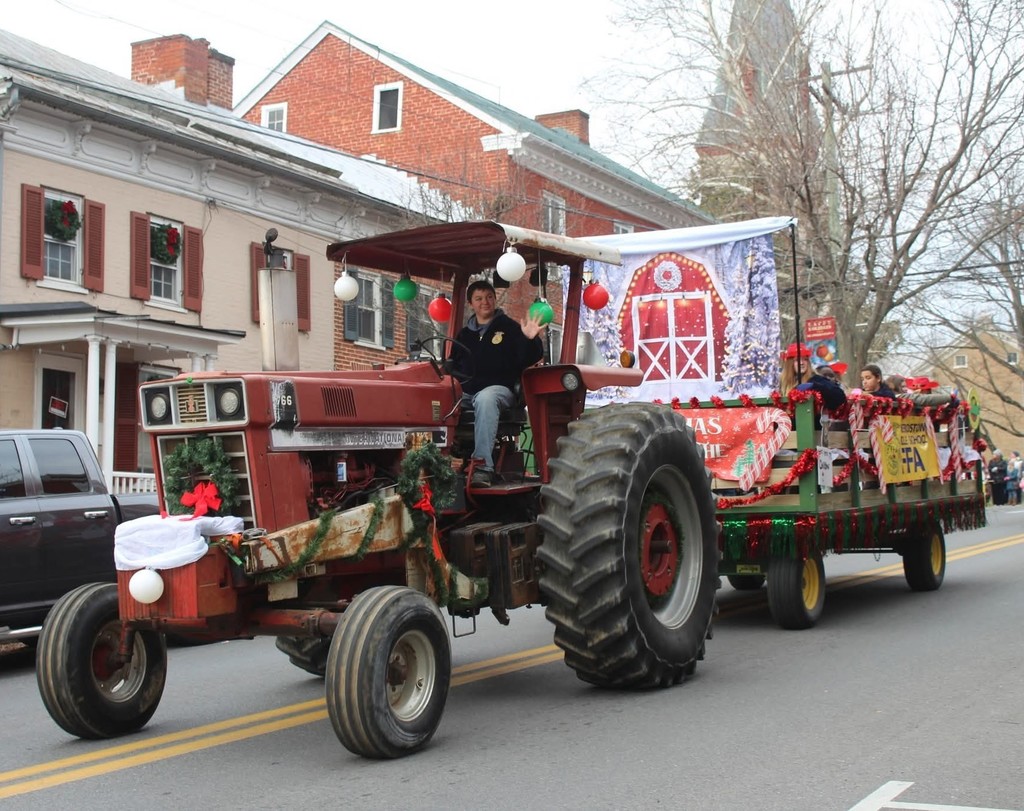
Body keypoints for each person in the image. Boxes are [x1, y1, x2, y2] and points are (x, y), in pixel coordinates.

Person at [451, 280, 546, 487]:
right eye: (478, 298)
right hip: (467, 393)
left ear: (494, 299)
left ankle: (483, 467)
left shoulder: (510, 328)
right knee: (438, 399)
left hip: (500, 390)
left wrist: (530, 339)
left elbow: (526, 358)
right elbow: (454, 367)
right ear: (470, 303)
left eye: (489, 297)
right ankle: (436, 465)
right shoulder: (464, 335)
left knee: (486, 399)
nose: (485, 302)